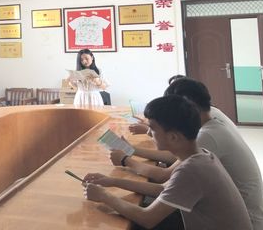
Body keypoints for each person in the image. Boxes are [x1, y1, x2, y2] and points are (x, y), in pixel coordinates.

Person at [114, 77, 263, 230]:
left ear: (189, 105)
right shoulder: (205, 140)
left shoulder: (205, 142)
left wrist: (125, 160)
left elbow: (163, 177)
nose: (149, 132)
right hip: (229, 215)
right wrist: (113, 178)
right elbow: (166, 180)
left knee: (132, 221)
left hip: (246, 219)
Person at [83, 95, 251, 230]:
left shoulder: (192, 170)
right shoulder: (202, 155)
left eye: (153, 128)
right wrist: (111, 181)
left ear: (173, 137)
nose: (149, 133)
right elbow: (163, 188)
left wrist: (104, 196)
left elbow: (147, 218)